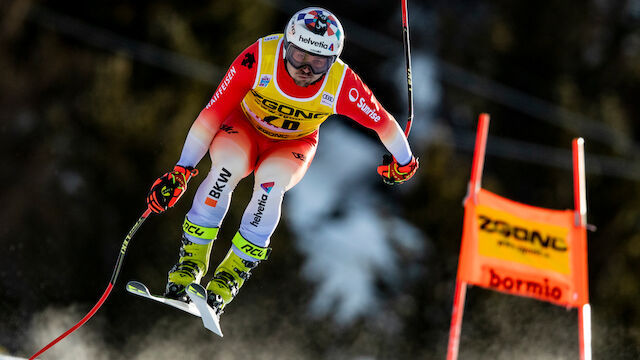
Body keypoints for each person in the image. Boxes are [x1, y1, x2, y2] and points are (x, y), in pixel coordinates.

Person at [145, 7, 419, 315]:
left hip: (292, 144)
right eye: (300, 56)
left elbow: (383, 123)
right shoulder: (260, 56)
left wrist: (404, 162)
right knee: (224, 171)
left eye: (318, 62)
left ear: (332, 61)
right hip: (244, 128)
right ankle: (187, 270)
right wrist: (182, 170)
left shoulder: (341, 82)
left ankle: (226, 282)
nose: (306, 69)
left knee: (270, 189)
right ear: (286, 45)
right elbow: (212, 113)